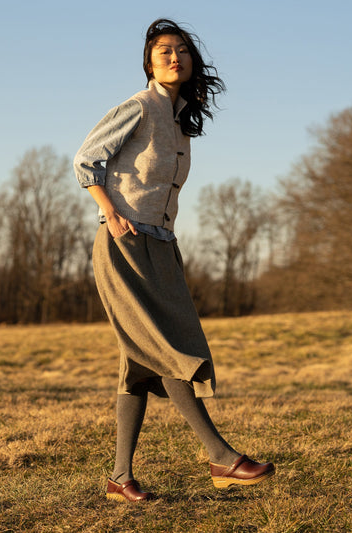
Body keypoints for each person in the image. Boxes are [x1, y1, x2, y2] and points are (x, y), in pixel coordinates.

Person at [74, 18, 275, 503]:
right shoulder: (139, 107)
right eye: (164, 50)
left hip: (162, 245)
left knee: (139, 362)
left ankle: (120, 478)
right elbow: (85, 159)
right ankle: (221, 457)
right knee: (167, 349)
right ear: (149, 63)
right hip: (124, 245)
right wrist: (111, 213)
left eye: (182, 50)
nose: (173, 57)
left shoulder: (180, 121)